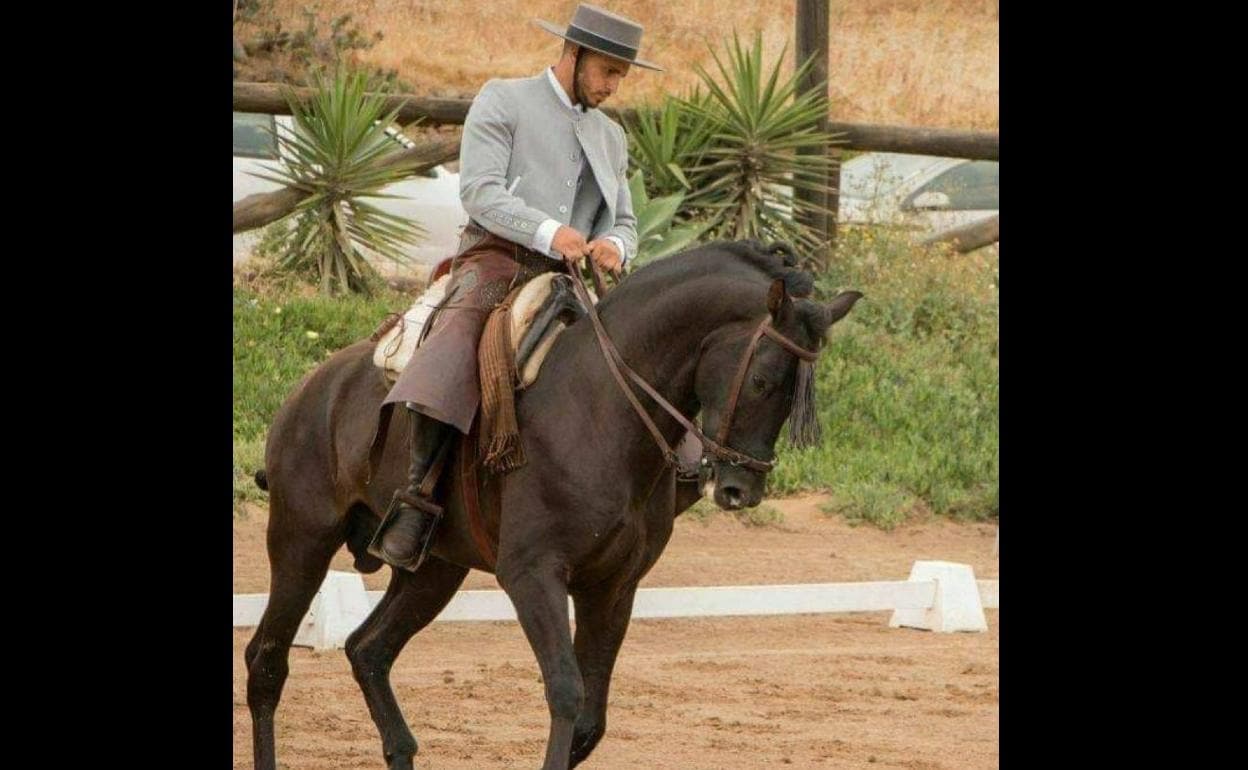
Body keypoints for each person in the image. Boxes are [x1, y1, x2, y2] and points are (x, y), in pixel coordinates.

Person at [367, 3, 663, 572]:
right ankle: (417, 496)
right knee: (456, 340)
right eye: (607, 72)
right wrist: (553, 232)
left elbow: (623, 221)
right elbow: (479, 192)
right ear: (573, 55)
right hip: (496, 257)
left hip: (573, 277)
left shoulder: (611, 136)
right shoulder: (503, 99)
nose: (612, 87)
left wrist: (616, 247)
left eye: (621, 77)